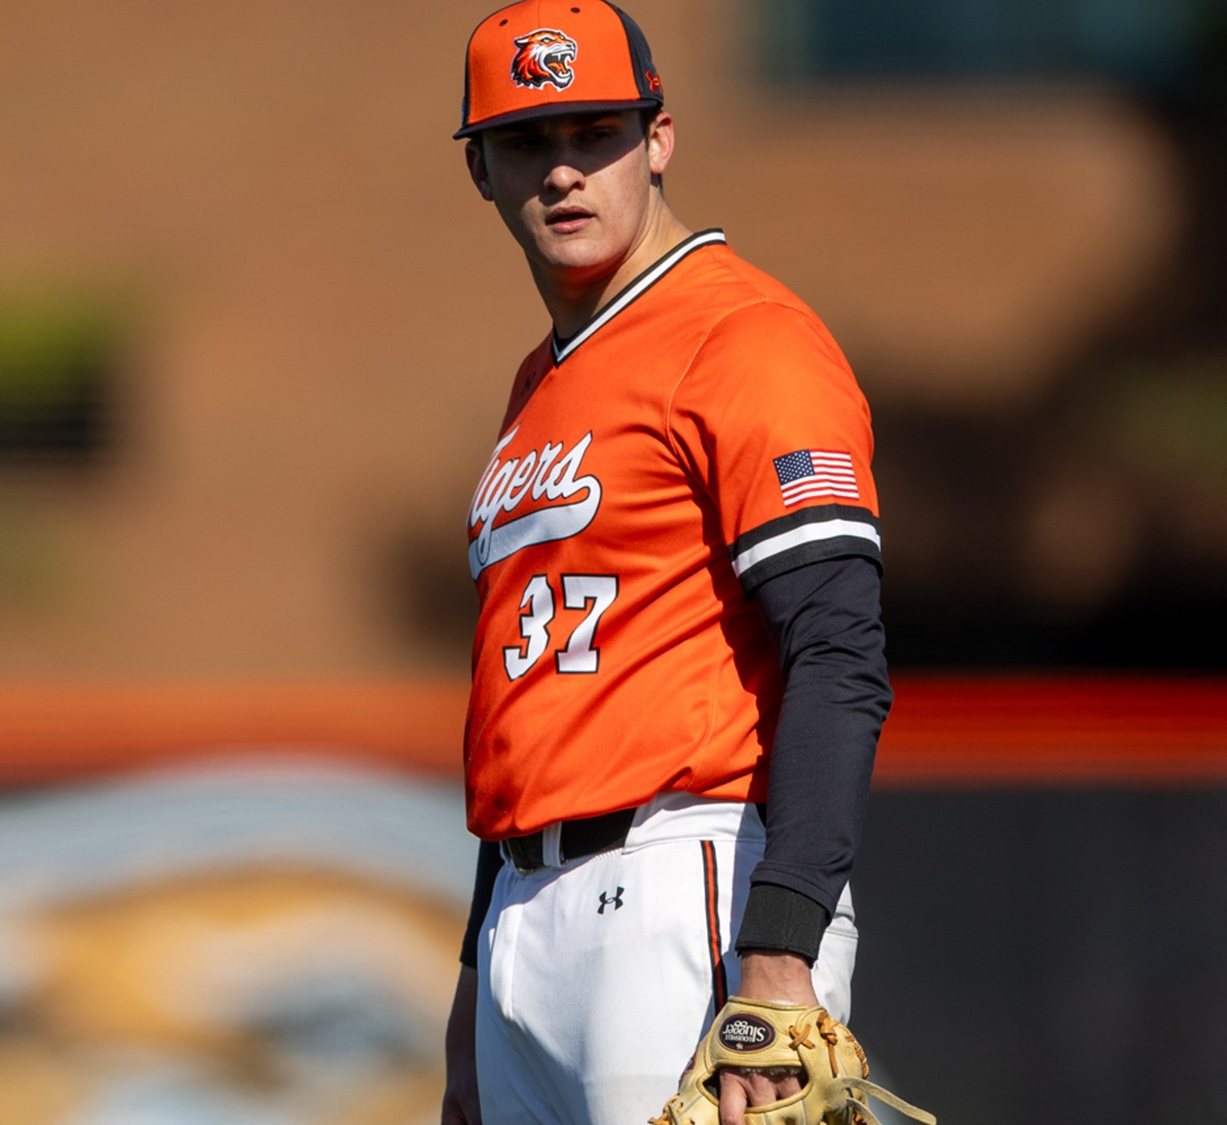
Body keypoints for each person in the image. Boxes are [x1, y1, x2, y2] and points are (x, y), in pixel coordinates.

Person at [440, 3, 893, 1124]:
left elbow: (839, 651)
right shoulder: (538, 385)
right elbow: (530, 713)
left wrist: (778, 956)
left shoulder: (741, 336)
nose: (561, 171)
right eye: (523, 143)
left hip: (685, 885)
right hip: (522, 913)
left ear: (658, 139)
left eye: (593, 131)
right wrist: (470, 997)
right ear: (478, 173)